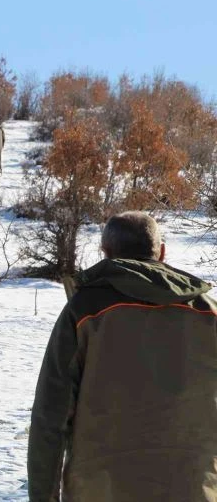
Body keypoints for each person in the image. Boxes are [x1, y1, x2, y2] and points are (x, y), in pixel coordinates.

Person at [28, 211, 217, 501]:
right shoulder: (209, 313)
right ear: (162, 252)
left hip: (100, 490)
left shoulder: (84, 311)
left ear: (106, 253)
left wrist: (44, 496)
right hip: (194, 489)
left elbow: (50, 414)